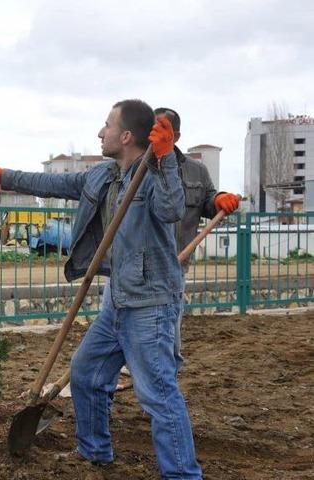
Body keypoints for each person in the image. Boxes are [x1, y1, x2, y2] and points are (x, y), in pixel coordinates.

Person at [0, 100, 202, 479]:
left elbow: (171, 209)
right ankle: (95, 450)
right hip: (118, 300)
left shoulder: (151, 177)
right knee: (85, 374)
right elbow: (51, 183)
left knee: (158, 394)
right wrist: (4, 175)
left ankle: (182, 474)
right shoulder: (104, 176)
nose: (101, 132)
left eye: (107, 125)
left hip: (150, 304)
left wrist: (163, 159)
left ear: (127, 135)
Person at [115, 108, 240, 389]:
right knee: (116, 327)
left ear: (176, 135)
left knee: (168, 334)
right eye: (152, 128)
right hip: (131, 269)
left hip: (172, 269)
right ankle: (118, 375)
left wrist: (219, 199)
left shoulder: (196, 171)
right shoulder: (132, 167)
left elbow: (207, 199)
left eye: (163, 129)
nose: (154, 134)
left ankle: (163, 385)